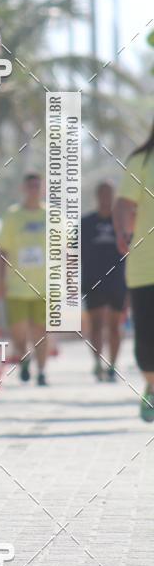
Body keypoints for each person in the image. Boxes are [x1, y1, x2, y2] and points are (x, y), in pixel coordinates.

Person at [113, 118, 154, 422]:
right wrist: (123, 233)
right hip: (145, 267)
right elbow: (124, 204)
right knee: (146, 337)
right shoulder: (141, 161)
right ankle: (152, 387)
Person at [0, 173, 48, 385]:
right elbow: (2, 250)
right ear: (23, 189)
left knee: (41, 331)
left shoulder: (52, 215)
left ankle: (42, 372)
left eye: (37, 186)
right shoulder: (12, 216)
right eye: (30, 186)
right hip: (17, 286)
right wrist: (0, 280)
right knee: (18, 332)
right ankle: (24, 359)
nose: (34, 190)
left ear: (43, 189)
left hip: (45, 286)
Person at [81, 181, 127, 381]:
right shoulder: (86, 223)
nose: (106, 198)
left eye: (110, 194)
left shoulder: (122, 224)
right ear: (97, 196)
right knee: (96, 324)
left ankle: (113, 365)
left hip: (118, 280)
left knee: (115, 326)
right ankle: (97, 363)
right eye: (103, 194)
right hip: (93, 280)